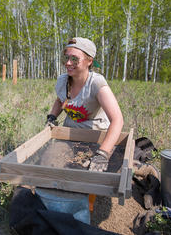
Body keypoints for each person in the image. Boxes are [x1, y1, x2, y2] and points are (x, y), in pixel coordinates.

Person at [46, 37, 124, 172]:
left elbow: (117, 120)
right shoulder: (62, 81)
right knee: (49, 164)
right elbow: (60, 100)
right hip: (69, 137)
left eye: (75, 59)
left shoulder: (96, 83)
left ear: (89, 61)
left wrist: (103, 153)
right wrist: (52, 117)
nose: (68, 63)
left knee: (94, 175)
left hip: (96, 139)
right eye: (66, 58)